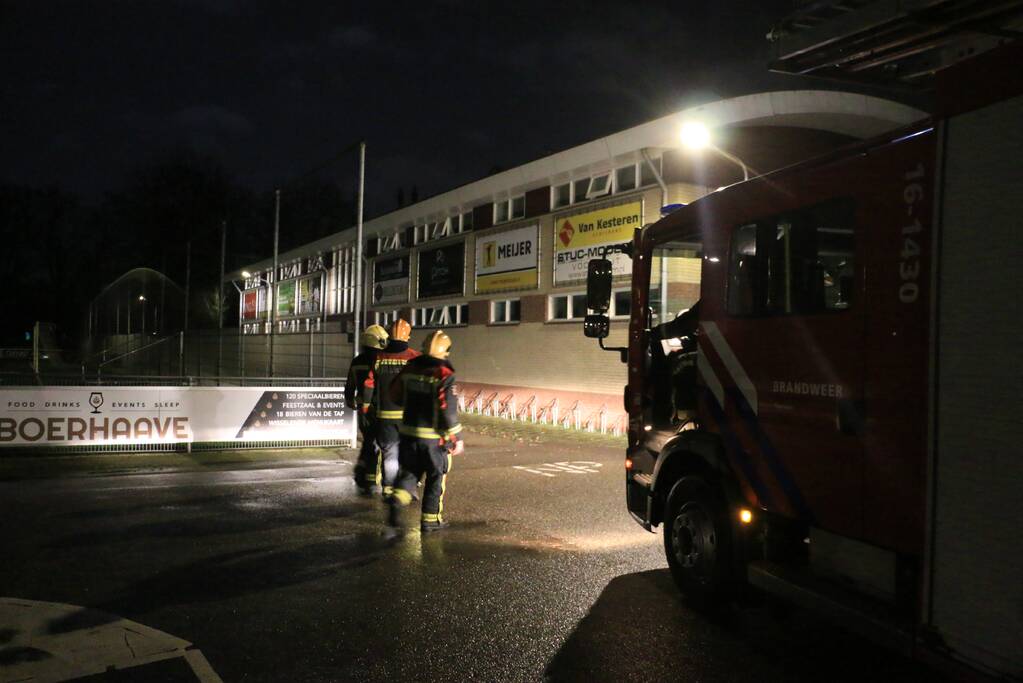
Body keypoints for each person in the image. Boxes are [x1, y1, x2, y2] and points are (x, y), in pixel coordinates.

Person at [386, 329, 463, 532]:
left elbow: (394, 394)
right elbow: (448, 409)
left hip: (408, 435)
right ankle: (430, 521)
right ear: (445, 351)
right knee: (436, 478)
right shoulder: (444, 373)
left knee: (410, 474)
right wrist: (457, 437)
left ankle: (397, 500)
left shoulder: (410, 367)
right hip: (434, 441)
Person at [361, 318, 420, 498]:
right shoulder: (415, 357)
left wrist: (365, 406)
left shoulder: (379, 357)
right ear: (407, 336)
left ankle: (388, 489)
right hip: (409, 417)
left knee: (389, 453)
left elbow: (368, 383)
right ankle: (407, 488)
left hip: (385, 416)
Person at [345, 324, 389, 494]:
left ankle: (368, 477)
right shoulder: (382, 360)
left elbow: (350, 384)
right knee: (386, 445)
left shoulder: (357, 361)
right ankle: (387, 482)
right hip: (381, 408)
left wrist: (349, 399)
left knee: (370, 442)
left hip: (363, 411)